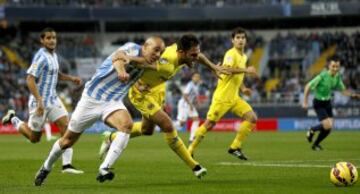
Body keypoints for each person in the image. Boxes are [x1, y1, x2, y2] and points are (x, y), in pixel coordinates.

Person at [33, 37, 166, 186]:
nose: (158, 54)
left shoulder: (148, 63)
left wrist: (139, 86)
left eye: (161, 52)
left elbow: (140, 71)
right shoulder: (132, 48)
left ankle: (105, 167)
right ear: (146, 46)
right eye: (156, 50)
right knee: (67, 141)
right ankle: (46, 167)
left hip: (112, 102)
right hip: (91, 99)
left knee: (127, 125)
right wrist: (121, 71)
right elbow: (118, 58)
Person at [99, 34, 228, 179]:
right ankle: (195, 166)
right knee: (167, 125)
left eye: (196, 53)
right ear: (182, 53)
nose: (196, 57)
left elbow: (200, 56)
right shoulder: (166, 62)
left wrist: (213, 67)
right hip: (141, 93)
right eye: (193, 54)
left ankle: (111, 137)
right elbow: (136, 65)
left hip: (158, 90)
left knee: (147, 130)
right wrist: (135, 80)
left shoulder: (182, 53)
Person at [1, 27, 83, 174]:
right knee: (34, 138)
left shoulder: (54, 55)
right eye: (48, 38)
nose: (52, 40)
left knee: (66, 126)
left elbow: (56, 74)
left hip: (53, 99)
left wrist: (71, 78)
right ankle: (14, 119)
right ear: (42, 40)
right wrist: (39, 101)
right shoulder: (41, 57)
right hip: (40, 101)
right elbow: (30, 79)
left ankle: (67, 165)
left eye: (54, 38)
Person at [187, 27, 258, 160]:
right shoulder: (231, 54)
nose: (240, 40)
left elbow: (237, 75)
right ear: (232, 40)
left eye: (243, 38)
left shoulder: (244, 56)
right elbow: (227, 69)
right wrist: (247, 70)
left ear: (246, 40)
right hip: (222, 97)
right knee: (209, 125)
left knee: (252, 118)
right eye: (237, 38)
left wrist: (243, 89)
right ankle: (190, 149)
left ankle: (235, 147)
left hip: (234, 97)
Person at [302, 56, 360, 151]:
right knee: (327, 125)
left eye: (337, 66)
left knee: (329, 127)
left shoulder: (337, 77)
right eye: (333, 66)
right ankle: (312, 129)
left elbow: (343, 90)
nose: (335, 69)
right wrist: (305, 102)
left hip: (327, 102)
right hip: (319, 103)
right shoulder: (322, 76)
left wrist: (353, 95)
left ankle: (315, 144)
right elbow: (307, 86)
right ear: (329, 66)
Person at [175, 72, 202, 144]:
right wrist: (190, 104)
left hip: (190, 105)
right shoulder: (190, 84)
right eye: (195, 76)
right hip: (184, 104)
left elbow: (194, 96)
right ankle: (167, 127)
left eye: (198, 77)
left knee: (196, 119)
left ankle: (192, 138)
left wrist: (198, 102)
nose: (197, 78)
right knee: (181, 123)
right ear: (192, 78)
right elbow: (185, 95)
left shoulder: (197, 85)